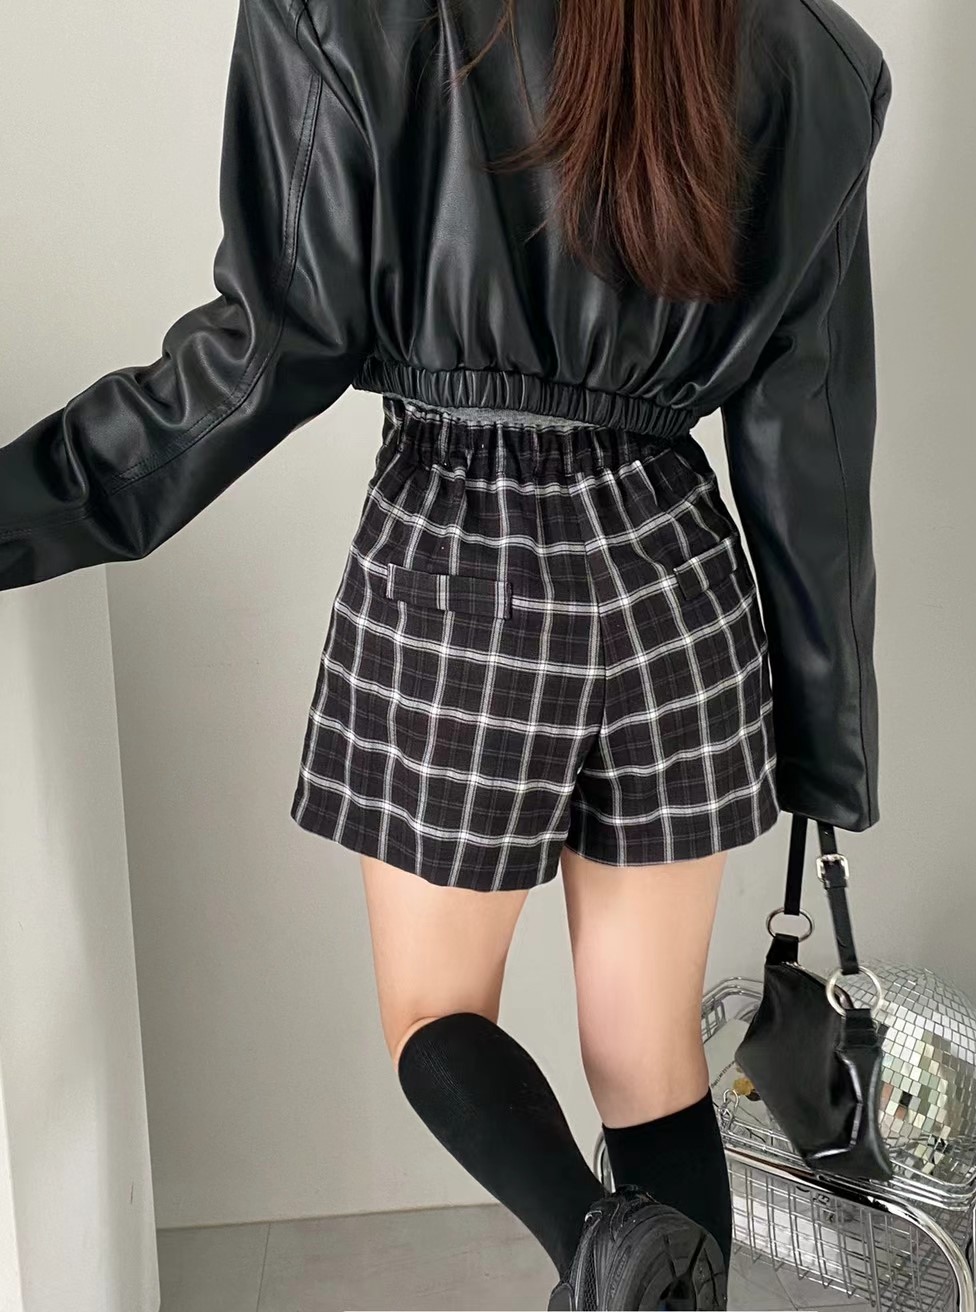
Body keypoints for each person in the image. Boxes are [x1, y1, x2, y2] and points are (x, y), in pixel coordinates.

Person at [0, 0, 891, 1307]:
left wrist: (21, 510)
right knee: (650, 1062)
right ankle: (644, 1271)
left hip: (459, 565)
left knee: (436, 1014)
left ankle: (601, 1249)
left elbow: (261, 356)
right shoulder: (815, 55)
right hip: (678, 585)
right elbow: (808, 447)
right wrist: (825, 753)